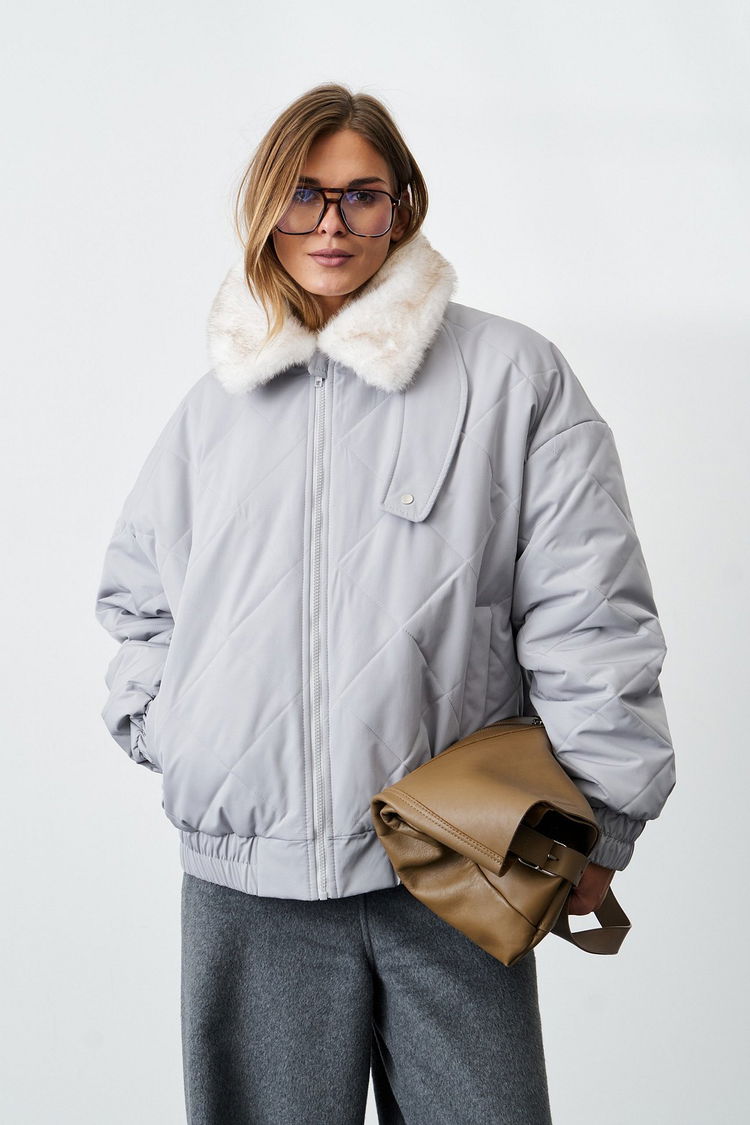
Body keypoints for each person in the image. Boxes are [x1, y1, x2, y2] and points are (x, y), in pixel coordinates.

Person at [94, 83, 676, 1125]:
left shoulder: (512, 377)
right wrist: (183, 736)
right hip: (249, 885)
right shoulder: (214, 409)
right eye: (303, 195)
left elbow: (592, 612)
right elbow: (139, 607)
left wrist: (598, 824)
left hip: (453, 864)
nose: (331, 224)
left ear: (402, 205)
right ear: (264, 207)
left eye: (360, 195)